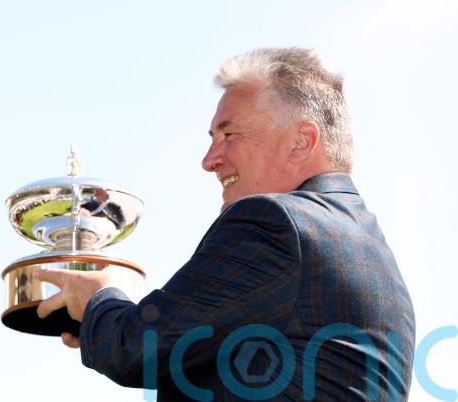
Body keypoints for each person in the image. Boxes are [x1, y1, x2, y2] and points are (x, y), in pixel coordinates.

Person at [33, 47, 415, 400]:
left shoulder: (274, 223)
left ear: (301, 141)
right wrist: (101, 322)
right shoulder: (376, 259)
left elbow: (134, 349)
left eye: (229, 134)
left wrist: (99, 299)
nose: (209, 160)